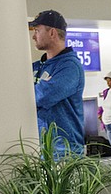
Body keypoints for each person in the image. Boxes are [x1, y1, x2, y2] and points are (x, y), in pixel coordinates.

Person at [29, 10, 85, 157]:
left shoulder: (70, 67)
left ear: (52, 32)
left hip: (64, 151)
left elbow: (42, 96)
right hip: (41, 148)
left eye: (37, 30)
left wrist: (24, 93)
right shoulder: (37, 66)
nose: (34, 36)